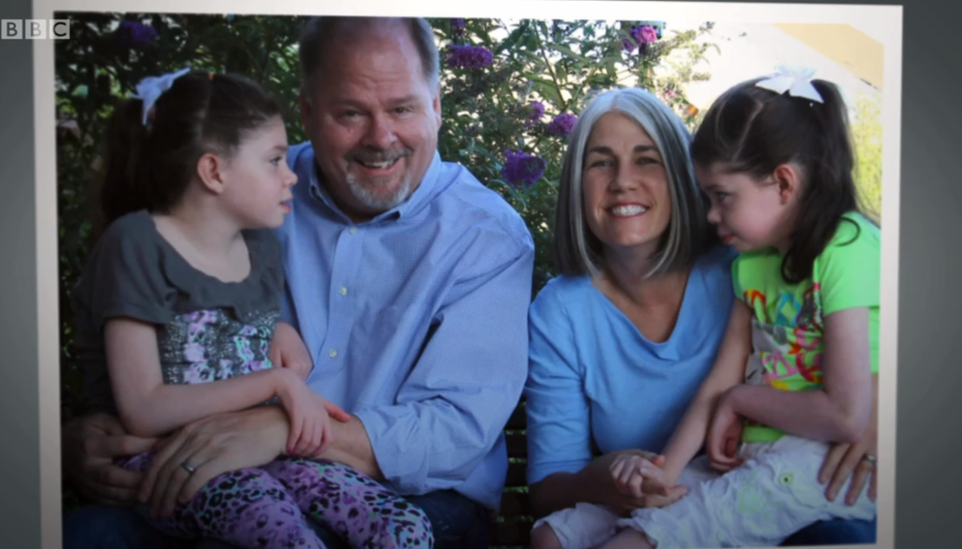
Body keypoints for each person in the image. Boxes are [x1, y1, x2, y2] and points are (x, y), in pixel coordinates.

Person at [61, 16, 535, 549]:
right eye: (350, 113)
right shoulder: (245, 193)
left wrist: (286, 430)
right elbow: (170, 335)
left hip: (411, 497)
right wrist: (90, 436)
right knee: (90, 535)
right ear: (307, 111)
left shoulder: (485, 236)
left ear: (436, 106)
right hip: (222, 473)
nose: (381, 139)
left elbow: (455, 432)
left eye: (402, 108)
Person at [70, 66, 435, 549]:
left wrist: (277, 333)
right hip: (166, 458)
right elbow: (142, 408)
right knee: (278, 528)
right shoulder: (137, 244)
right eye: (274, 160)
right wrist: (276, 381)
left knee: (400, 526)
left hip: (255, 453)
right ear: (214, 171)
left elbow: (240, 335)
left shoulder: (259, 248)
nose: (291, 175)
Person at [524, 85, 878, 549]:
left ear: (680, 174)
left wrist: (884, 415)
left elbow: (882, 338)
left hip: (804, 491)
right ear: (577, 181)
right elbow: (553, 485)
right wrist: (623, 476)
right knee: (553, 538)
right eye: (600, 162)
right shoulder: (562, 313)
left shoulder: (745, 256)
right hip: (720, 473)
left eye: (646, 159)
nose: (622, 181)